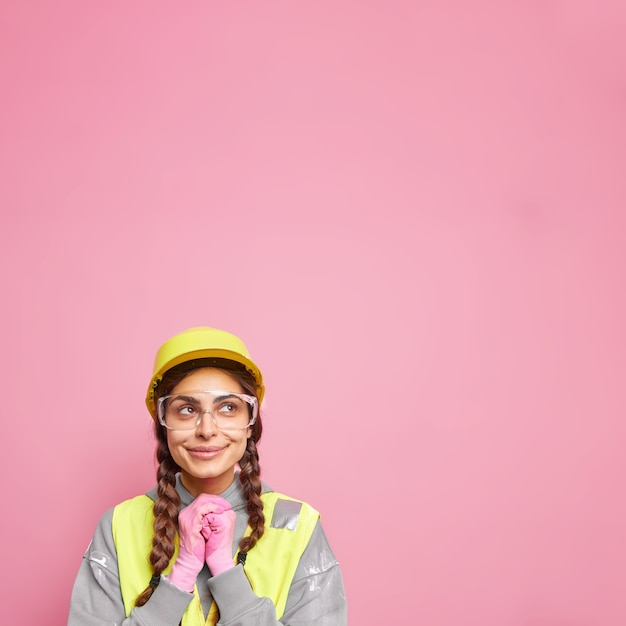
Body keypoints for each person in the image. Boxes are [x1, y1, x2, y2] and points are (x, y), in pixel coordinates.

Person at [68, 327, 347, 625]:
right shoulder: (118, 526)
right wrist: (178, 578)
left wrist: (227, 573)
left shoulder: (298, 527)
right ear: (164, 425)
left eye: (228, 408)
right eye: (187, 409)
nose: (207, 429)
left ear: (250, 423)